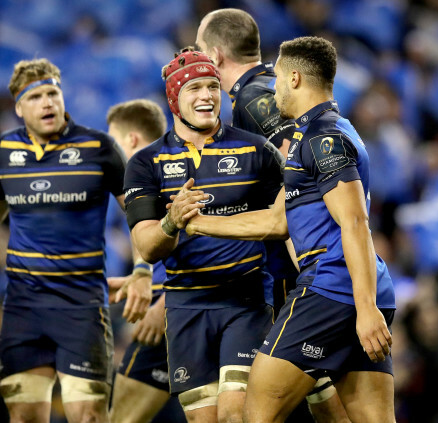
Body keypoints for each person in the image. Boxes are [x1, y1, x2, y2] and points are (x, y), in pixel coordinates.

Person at [185, 36, 396, 423]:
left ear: (295, 78)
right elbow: (277, 222)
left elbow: (354, 221)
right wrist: (197, 223)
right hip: (355, 289)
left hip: (331, 288)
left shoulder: (324, 138)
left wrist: (365, 309)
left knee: (258, 414)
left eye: (278, 78)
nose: (274, 87)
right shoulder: (313, 135)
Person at [0, 59, 151, 423]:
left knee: (88, 415)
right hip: (23, 310)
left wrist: (142, 269)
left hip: (80, 307)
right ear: (18, 108)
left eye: (52, 93)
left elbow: (140, 215)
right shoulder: (4, 153)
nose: (47, 102)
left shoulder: (99, 149)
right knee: (24, 416)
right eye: (35, 97)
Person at [195, 9, 348, 421]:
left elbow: (299, 164)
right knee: (319, 391)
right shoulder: (266, 87)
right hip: (313, 270)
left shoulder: (253, 98)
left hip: (301, 273)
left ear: (213, 53)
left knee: (262, 409)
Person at [124, 48, 283, 423]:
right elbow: (147, 247)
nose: (207, 96)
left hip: (245, 301)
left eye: (213, 86)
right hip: (185, 308)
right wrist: (171, 222)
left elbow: (285, 222)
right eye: (194, 87)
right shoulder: (145, 164)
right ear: (174, 99)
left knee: (235, 413)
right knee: (204, 419)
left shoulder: (258, 150)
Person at [105, 99, 185, 423]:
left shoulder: (178, 177)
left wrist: (164, 303)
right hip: (165, 311)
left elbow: (211, 247)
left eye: (113, 140)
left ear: (132, 140)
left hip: (187, 311)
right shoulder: (146, 185)